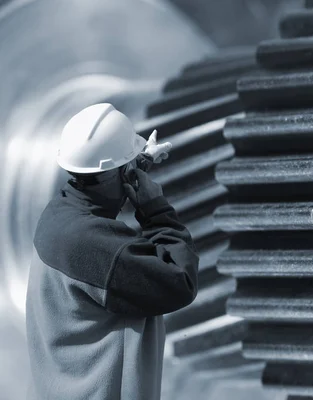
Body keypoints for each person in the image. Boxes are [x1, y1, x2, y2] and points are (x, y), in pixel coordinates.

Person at [25, 103, 199, 400]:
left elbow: (102, 180)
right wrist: (155, 209)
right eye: (128, 169)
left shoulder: (59, 215)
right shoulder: (99, 247)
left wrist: (133, 165)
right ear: (115, 174)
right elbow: (180, 280)